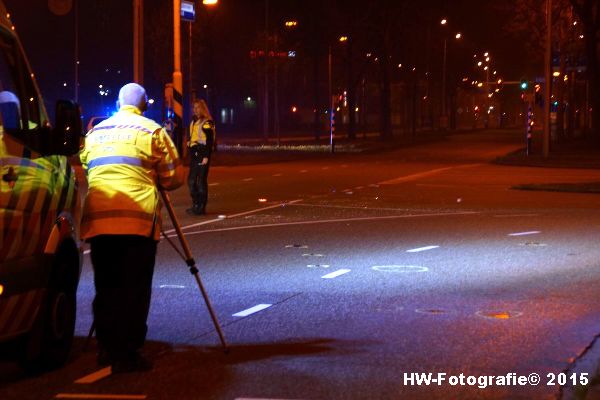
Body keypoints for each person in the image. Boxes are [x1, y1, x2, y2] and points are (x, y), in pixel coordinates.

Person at [79, 83, 183, 373]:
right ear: (144, 106)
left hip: (99, 221)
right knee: (134, 288)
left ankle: (106, 346)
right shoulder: (152, 132)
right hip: (137, 222)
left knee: (107, 286)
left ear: (117, 101)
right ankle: (127, 352)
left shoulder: (96, 132)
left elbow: (87, 163)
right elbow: (174, 177)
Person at [186, 99, 215, 215]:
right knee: (191, 181)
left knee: (200, 181)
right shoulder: (194, 121)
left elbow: (209, 141)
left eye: (198, 107)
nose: (195, 109)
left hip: (203, 153)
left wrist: (206, 156)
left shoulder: (207, 122)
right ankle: (196, 204)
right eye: (194, 107)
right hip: (195, 154)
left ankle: (201, 207)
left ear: (202, 109)